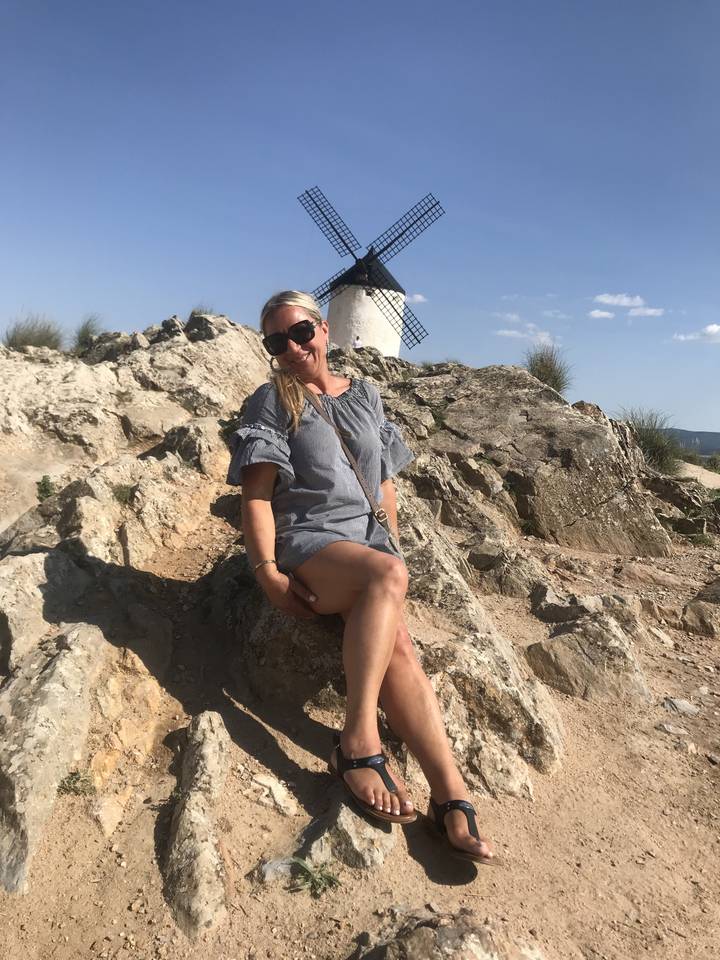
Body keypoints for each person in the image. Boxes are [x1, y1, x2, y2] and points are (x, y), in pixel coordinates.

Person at [227, 290, 494, 863]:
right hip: (310, 541)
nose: (293, 348)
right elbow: (256, 497)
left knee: (399, 643)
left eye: (301, 333)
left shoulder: (366, 393)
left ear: (324, 330)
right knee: (385, 579)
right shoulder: (271, 400)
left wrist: (390, 551)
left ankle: (450, 794)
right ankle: (357, 740)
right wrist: (268, 574)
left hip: (370, 550)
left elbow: (386, 485)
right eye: (277, 342)